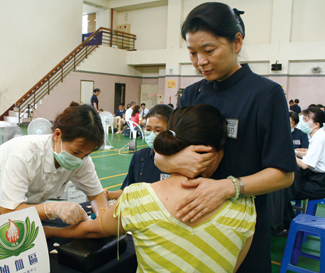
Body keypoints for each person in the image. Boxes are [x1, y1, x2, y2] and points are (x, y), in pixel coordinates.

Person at [153, 3, 296, 272]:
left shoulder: (265, 94)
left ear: (237, 42)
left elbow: (283, 174)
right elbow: (163, 154)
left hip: (242, 228)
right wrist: (170, 161)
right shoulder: (193, 94)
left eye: (209, 51)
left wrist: (226, 187)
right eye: (193, 53)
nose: (200, 62)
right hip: (192, 219)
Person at [44, 105, 256, 272]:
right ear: (216, 152)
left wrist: (51, 230)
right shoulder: (245, 205)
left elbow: (94, 228)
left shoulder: (138, 197)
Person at [0, 103, 108, 224]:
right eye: (76, 153)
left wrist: (102, 218)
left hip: (23, 205)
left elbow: (96, 195)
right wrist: (53, 208)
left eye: (86, 154)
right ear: (57, 135)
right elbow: (8, 211)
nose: (80, 160)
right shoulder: (24, 154)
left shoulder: (82, 159)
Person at [105, 104, 173, 199]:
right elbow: (127, 191)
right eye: (148, 129)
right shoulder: (139, 156)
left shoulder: (179, 162)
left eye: (157, 130)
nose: (152, 134)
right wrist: (107, 194)